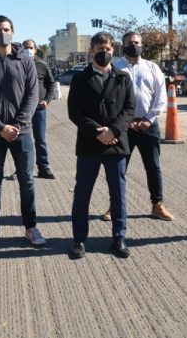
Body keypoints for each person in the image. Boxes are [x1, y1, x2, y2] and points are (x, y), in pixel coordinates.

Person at [0, 15, 45, 247]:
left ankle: (30, 227)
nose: (2, 32)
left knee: (27, 180)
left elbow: (32, 95)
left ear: (13, 32)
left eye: (6, 29)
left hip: (22, 133)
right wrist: (0, 127)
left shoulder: (25, 62)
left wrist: (17, 124)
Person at [67, 32, 135, 259]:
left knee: (118, 194)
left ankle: (119, 238)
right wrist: (99, 131)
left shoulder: (123, 77)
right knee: (82, 193)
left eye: (107, 48)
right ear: (91, 51)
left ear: (113, 49)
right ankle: (78, 239)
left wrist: (113, 130)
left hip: (116, 143)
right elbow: (75, 112)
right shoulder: (79, 78)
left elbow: (129, 109)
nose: (103, 52)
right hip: (90, 143)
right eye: (99, 49)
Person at [102, 31, 174, 222]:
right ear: (122, 46)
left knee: (153, 166)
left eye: (136, 42)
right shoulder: (115, 67)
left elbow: (161, 97)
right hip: (123, 128)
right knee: (118, 169)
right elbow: (110, 99)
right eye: (129, 42)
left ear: (141, 44)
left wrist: (149, 119)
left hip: (148, 126)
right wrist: (123, 122)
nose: (133, 45)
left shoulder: (152, 67)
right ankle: (114, 206)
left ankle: (157, 205)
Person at [14, 39, 55, 179]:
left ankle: (43, 167)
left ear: (36, 49)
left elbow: (51, 84)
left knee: (40, 139)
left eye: (31, 47)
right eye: (25, 47)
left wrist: (47, 100)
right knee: (20, 140)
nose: (28, 50)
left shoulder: (42, 66)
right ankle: (20, 169)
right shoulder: (17, 64)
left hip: (39, 109)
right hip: (21, 110)